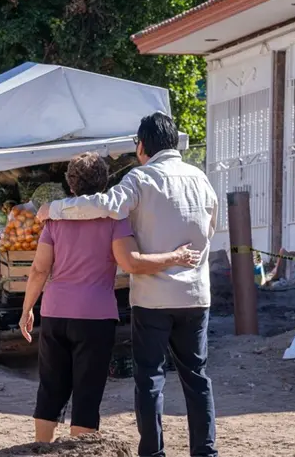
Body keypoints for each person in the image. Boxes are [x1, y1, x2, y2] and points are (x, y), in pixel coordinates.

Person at [37, 113, 219, 457]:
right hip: (196, 296)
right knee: (197, 377)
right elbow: (211, 229)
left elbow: (106, 205)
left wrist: (55, 208)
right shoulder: (201, 178)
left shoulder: (140, 179)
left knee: (150, 378)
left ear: (141, 146)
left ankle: (152, 452)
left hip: (152, 296)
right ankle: (205, 451)